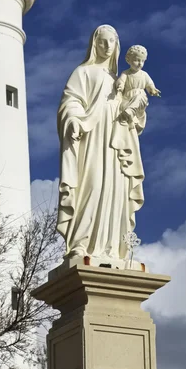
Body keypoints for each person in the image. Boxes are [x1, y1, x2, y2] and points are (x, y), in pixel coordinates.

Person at [57, 25, 145, 265]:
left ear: (117, 46)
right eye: (102, 42)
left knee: (116, 191)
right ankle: (81, 244)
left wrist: (135, 106)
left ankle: (113, 248)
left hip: (116, 140)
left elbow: (131, 112)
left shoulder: (120, 79)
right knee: (92, 186)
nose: (107, 47)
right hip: (92, 139)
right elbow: (71, 100)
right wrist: (73, 119)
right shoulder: (84, 72)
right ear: (94, 45)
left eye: (111, 43)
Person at [116, 45, 161, 135]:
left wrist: (152, 90)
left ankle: (131, 112)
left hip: (140, 101)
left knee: (140, 93)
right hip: (128, 99)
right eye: (136, 60)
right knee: (138, 94)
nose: (140, 63)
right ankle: (130, 114)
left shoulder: (144, 74)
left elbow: (149, 84)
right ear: (128, 60)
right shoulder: (126, 73)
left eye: (142, 61)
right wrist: (120, 86)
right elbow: (121, 81)